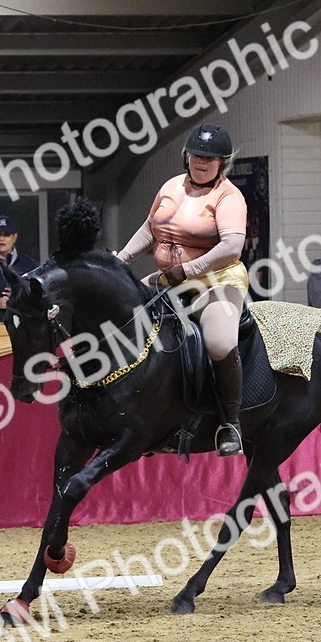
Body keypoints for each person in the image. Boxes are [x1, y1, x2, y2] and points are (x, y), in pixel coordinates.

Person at [116, 123, 249, 457]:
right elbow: (150, 228)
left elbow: (232, 245)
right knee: (123, 315)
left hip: (216, 281)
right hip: (170, 278)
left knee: (219, 342)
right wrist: (122, 259)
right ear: (186, 156)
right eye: (196, 155)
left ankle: (230, 423)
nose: (201, 162)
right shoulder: (171, 186)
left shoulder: (229, 196)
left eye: (209, 158)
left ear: (223, 163)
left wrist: (189, 269)